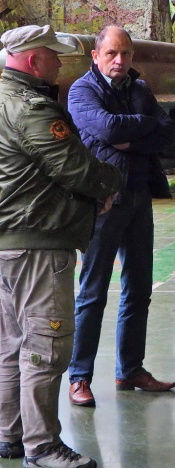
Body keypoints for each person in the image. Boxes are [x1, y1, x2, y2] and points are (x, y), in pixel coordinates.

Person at [0, 25, 121, 467]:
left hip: (9, 242)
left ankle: (10, 434)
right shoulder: (31, 107)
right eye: (53, 56)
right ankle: (43, 446)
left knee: (12, 344)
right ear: (34, 61)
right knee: (44, 347)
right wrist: (110, 182)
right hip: (38, 241)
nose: (58, 63)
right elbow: (75, 167)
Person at [67, 26, 175, 408]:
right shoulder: (82, 91)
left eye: (126, 53)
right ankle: (79, 377)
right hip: (104, 202)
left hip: (138, 198)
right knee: (92, 293)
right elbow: (106, 127)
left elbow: (168, 132)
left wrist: (129, 136)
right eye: (112, 53)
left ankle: (130, 369)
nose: (120, 60)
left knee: (139, 289)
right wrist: (141, 127)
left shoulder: (139, 88)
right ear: (95, 56)